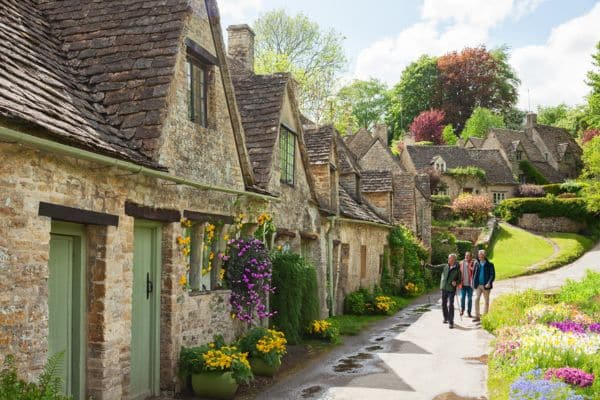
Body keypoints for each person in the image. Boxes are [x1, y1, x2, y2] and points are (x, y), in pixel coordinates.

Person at [472, 249, 495, 322]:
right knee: (476, 299)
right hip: (478, 285)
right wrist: (473, 283)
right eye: (479, 255)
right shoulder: (476, 263)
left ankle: (485, 316)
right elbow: (474, 274)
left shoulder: (490, 264)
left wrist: (489, 283)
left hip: (486, 286)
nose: (479, 256)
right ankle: (477, 316)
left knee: (486, 301)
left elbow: (492, 275)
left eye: (481, 255)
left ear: (484, 255)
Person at [440, 253, 461, 329]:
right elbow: (435, 267)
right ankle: (446, 318)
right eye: (448, 258)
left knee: (450, 305)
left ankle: (451, 322)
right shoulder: (445, 266)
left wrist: (456, 282)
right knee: (444, 304)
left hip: (451, 289)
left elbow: (459, 279)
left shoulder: (457, 269)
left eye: (450, 258)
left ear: (454, 260)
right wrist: (426, 265)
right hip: (444, 288)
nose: (448, 259)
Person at [458, 251, 475, 318]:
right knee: (462, 298)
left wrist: (470, 267)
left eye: (468, 256)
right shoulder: (461, 263)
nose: (466, 257)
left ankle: (469, 312)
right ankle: (462, 309)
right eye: (466, 255)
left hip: (470, 285)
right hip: (463, 285)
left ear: (471, 257)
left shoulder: (473, 263)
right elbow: (458, 272)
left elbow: (475, 271)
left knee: (470, 299)